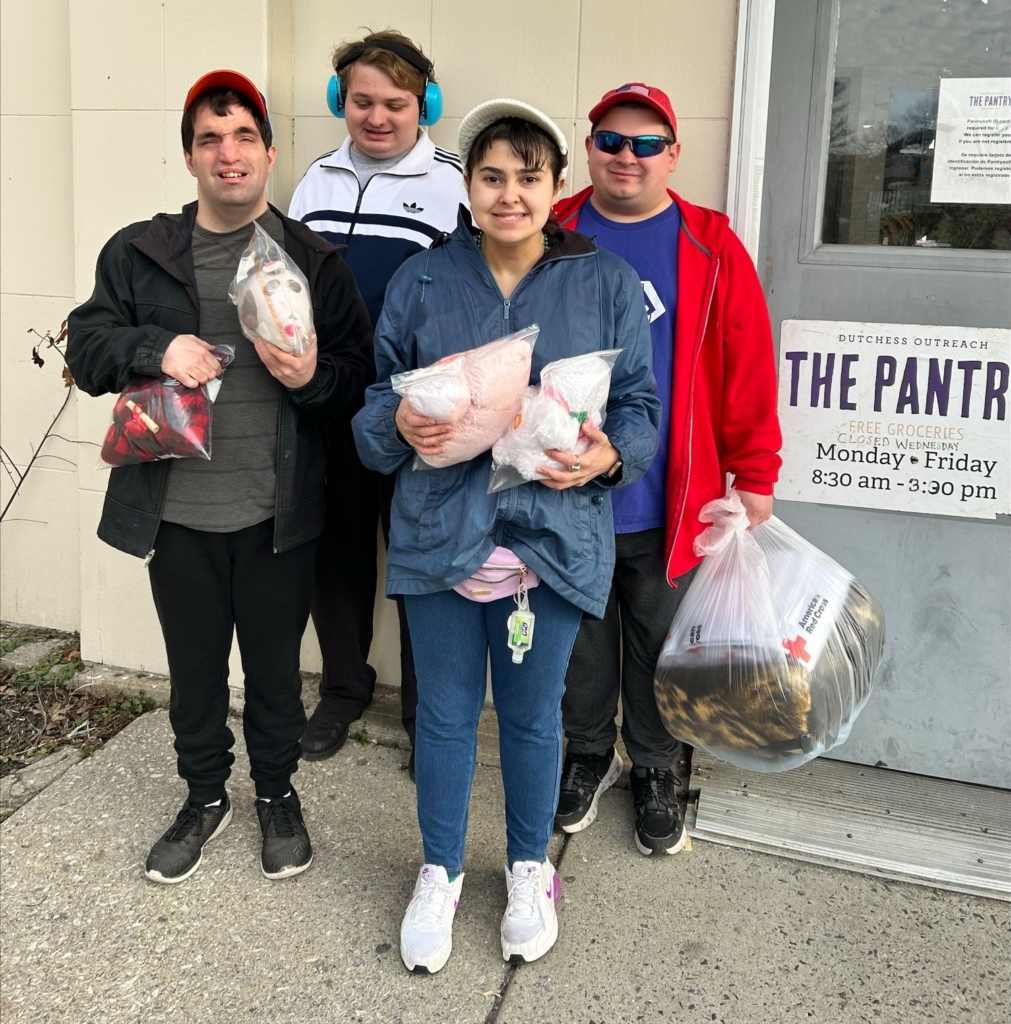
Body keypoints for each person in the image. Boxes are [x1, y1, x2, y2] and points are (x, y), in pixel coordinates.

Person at [353, 98, 661, 974]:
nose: (509, 194)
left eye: (528, 177)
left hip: (549, 537)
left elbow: (636, 408)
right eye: (491, 176)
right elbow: (377, 402)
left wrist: (606, 457)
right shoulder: (422, 279)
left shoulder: (601, 280)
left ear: (556, 186)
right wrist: (398, 427)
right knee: (445, 720)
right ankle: (440, 871)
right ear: (469, 185)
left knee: (531, 721)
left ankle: (528, 870)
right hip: (439, 534)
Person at [66, 71, 373, 884]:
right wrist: (151, 348)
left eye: (243, 137)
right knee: (194, 671)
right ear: (190, 157)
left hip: (277, 513)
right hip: (175, 512)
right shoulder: (141, 252)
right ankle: (205, 795)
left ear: (271, 153)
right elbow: (86, 349)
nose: (227, 153)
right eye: (210, 138)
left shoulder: (311, 260)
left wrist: (310, 377)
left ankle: (275, 792)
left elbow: (356, 382)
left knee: (274, 673)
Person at [552, 83, 782, 856]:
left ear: (673, 155)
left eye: (646, 143)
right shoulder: (551, 229)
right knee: (578, 640)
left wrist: (753, 475)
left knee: (657, 641)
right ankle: (588, 756)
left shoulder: (710, 244)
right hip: (566, 492)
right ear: (588, 148)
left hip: (667, 495)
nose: (627, 156)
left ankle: (654, 765)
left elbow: (747, 366)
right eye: (612, 140)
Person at [289, 30, 468, 770]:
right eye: (361, 101)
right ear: (341, 101)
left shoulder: (453, 181)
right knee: (337, 554)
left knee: (420, 561)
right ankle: (342, 689)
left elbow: (469, 295)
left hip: (412, 411)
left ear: (423, 103)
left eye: (395, 103)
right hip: (331, 402)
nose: (377, 117)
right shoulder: (315, 178)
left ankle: (430, 717)